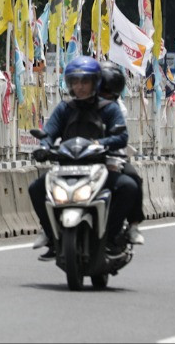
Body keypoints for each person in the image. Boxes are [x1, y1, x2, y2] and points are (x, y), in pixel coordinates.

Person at [29, 56, 140, 261]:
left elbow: (122, 136)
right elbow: (49, 132)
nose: (80, 87)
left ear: (95, 82)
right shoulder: (65, 108)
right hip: (67, 168)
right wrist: (44, 147)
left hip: (100, 167)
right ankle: (50, 235)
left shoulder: (109, 108)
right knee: (35, 188)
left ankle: (113, 235)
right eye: (75, 82)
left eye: (85, 82)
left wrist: (103, 144)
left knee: (128, 186)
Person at [98, 60, 146, 245]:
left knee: (133, 179)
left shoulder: (118, 109)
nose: (105, 91)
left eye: (110, 87)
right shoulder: (80, 103)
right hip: (83, 157)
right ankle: (49, 228)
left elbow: (118, 135)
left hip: (112, 156)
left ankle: (132, 225)